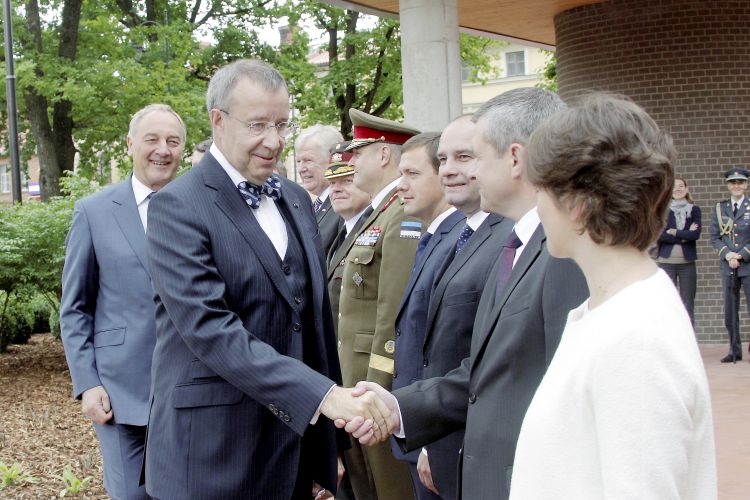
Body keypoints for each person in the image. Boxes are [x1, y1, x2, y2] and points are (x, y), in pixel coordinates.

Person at [143, 59, 391, 500]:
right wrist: (323, 397)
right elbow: (210, 330)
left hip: (292, 450)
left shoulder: (295, 198)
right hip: (212, 455)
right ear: (218, 121)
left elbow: (314, 323)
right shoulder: (177, 206)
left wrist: (328, 442)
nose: (274, 141)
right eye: (258, 125)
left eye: (281, 124)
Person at [343, 87, 589, 500]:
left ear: (514, 159)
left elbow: (564, 389)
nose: (464, 173)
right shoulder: (522, 243)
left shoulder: (562, 250)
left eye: (475, 156)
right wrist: (400, 408)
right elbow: (490, 367)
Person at [509, 93, 717, 500]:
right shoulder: (615, 311)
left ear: (577, 204)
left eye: (542, 191)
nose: (538, 207)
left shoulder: (636, 337)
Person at [60, 104, 186, 500]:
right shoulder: (94, 212)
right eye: (152, 139)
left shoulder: (202, 208)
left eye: (173, 141)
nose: (162, 149)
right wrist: (88, 383)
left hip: (191, 391)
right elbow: (75, 308)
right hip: (121, 392)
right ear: (130, 144)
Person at [413, 115, 513, 499]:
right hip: (443, 436)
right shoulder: (459, 230)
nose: (449, 170)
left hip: (475, 445)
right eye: (442, 160)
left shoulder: (510, 237)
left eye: (465, 157)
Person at [337, 108, 421, 500]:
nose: (349, 161)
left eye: (358, 152)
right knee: (366, 488)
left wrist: (377, 385)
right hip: (355, 382)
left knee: (390, 488)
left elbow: (392, 310)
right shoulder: (379, 213)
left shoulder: (400, 212)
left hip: (375, 386)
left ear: (384, 154)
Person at [392, 132, 464, 500]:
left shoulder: (459, 240)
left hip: (436, 433)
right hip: (420, 425)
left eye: (412, 174)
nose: (400, 186)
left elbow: (449, 349)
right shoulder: (436, 236)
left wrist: (430, 442)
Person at [324, 141, 373, 333]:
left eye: (347, 181)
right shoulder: (341, 233)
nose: (336, 189)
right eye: (332, 183)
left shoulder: (377, 229)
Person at [710, 166, 750, 363]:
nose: (736, 186)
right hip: (728, 266)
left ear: (746, 185)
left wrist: (740, 255)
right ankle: (735, 350)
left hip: (748, 266)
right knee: (730, 312)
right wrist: (728, 255)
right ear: (728, 185)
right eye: (733, 183)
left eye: (740, 182)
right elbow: (714, 237)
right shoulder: (720, 208)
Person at [656, 177, 701, 326]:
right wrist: (684, 236)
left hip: (687, 264)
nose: (678, 189)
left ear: (686, 189)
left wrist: (673, 231)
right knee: (667, 303)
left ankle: (689, 339)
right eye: (674, 186)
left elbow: (695, 235)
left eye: (681, 186)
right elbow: (660, 235)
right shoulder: (662, 210)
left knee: (688, 304)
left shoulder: (694, 210)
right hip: (666, 263)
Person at [296, 124, 345, 255]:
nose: (301, 169)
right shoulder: (312, 206)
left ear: (332, 161)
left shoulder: (344, 205)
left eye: (308, 160)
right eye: (298, 161)